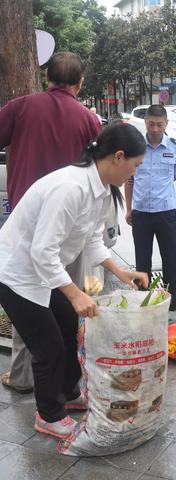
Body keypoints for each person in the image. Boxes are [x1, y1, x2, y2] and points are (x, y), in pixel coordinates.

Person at [0, 123, 149, 439]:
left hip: (43, 272)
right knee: (48, 345)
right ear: (118, 156)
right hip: (16, 274)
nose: (134, 173)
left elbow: (92, 239)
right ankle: (49, 415)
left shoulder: (102, 192)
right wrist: (74, 292)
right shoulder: (71, 187)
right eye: (135, 165)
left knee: (70, 328)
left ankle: (68, 394)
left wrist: (122, 274)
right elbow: (42, 251)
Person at [0, 52, 102, 394]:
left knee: (26, 303)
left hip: (25, 223)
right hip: (69, 229)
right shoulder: (89, 119)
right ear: (80, 82)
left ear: (47, 77)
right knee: (67, 308)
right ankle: (66, 381)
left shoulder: (20, 107)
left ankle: (23, 376)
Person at [124, 104, 176, 314]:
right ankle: (144, 301)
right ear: (145, 123)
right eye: (151, 124)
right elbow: (129, 179)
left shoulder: (175, 147)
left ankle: (175, 302)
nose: (155, 129)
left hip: (166, 211)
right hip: (141, 212)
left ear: (166, 124)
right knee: (142, 260)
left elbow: (175, 176)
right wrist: (128, 208)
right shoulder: (136, 147)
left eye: (160, 124)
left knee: (170, 258)